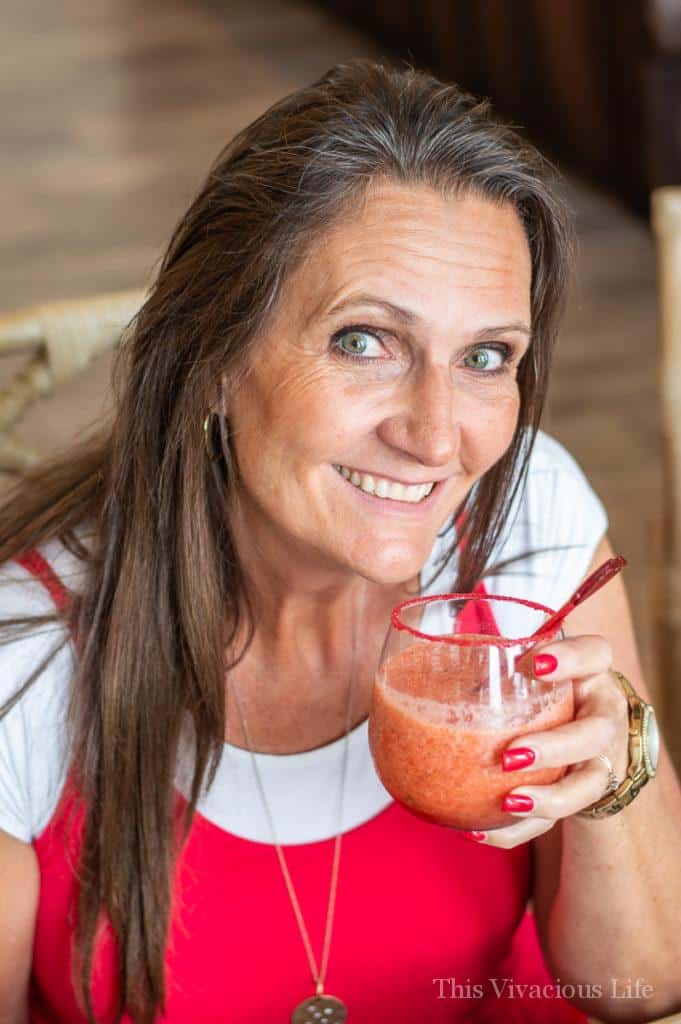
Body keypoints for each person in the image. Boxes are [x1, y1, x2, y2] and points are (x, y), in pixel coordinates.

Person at [0, 59, 679, 1024]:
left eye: (486, 357)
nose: (440, 438)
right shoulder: (26, 655)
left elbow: (643, 985)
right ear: (214, 359)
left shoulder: (524, 521)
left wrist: (616, 787)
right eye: (365, 340)